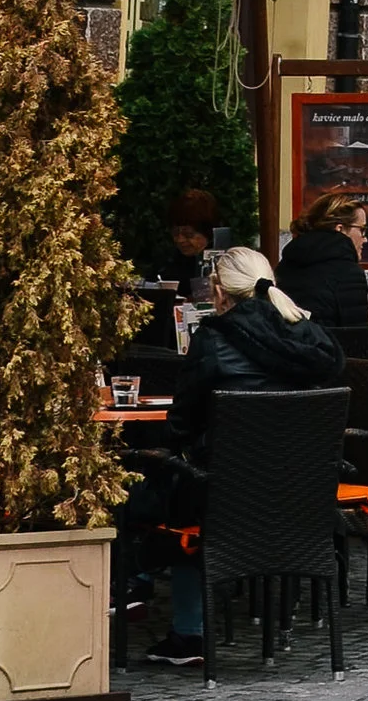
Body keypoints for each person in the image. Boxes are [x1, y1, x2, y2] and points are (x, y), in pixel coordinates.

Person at [124, 249, 348, 669]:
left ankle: (170, 617)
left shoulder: (212, 341)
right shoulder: (312, 339)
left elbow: (180, 425)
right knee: (188, 487)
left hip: (222, 496)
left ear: (218, 291)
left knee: (148, 492)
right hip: (304, 494)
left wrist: (160, 457)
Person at [276, 189, 368, 327]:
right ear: (340, 229)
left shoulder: (286, 265)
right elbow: (356, 337)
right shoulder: (348, 272)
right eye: (362, 230)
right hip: (327, 347)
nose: (365, 239)